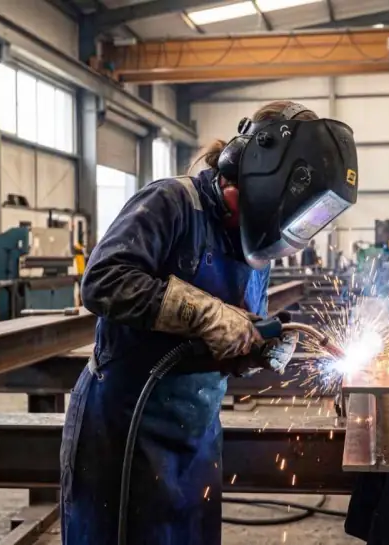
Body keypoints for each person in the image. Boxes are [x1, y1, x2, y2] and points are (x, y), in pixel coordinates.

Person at [61, 101, 358, 545]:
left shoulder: (256, 245)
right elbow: (103, 282)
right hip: (124, 426)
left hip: (197, 433)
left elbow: (225, 335)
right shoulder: (171, 202)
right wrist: (205, 313)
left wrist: (254, 346)